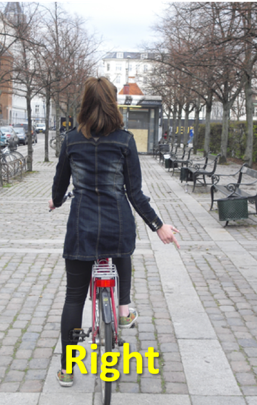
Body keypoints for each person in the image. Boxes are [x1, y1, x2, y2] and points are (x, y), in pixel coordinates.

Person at [49, 77, 179, 387]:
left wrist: (55, 201)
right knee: (122, 251)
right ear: (113, 103)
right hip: (117, 222)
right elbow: (135, 192)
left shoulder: (70, 140)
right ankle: (123, 308)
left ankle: (68, 369)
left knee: (74, 298)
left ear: (84, 104)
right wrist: (158, 226)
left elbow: (59, 183)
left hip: (81, 226)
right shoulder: (124, 140)